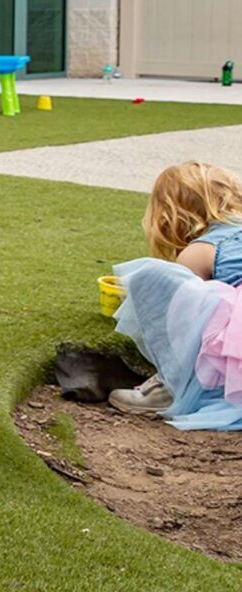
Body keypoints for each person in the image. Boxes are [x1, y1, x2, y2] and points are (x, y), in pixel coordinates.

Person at [107, 161, 242, 429]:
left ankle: (171, 385)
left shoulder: (202, 250)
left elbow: (179, 314)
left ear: (172, 214)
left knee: (152, 276)